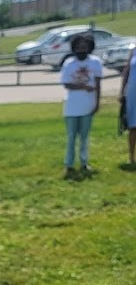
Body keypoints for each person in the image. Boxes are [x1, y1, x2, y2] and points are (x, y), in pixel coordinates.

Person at [59, 32, 102, 178]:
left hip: (87, 106)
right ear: (74, 48)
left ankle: (84, 162)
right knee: (71, 137)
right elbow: (66, 84)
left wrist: (97, 103)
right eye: (78, 47)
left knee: (84, 137)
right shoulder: (69, 63)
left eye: (84, 47)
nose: (81, 49)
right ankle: (69, 164)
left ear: (89, 47)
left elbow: (98, 83)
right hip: (71, 107)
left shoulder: (95, 62)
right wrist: (83, 86)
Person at [119, 45, 136, 167]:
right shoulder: (133, 50)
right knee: (133, 126)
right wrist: (122, 91)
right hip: (133, 92)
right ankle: (131, 156)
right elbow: (126, 71)